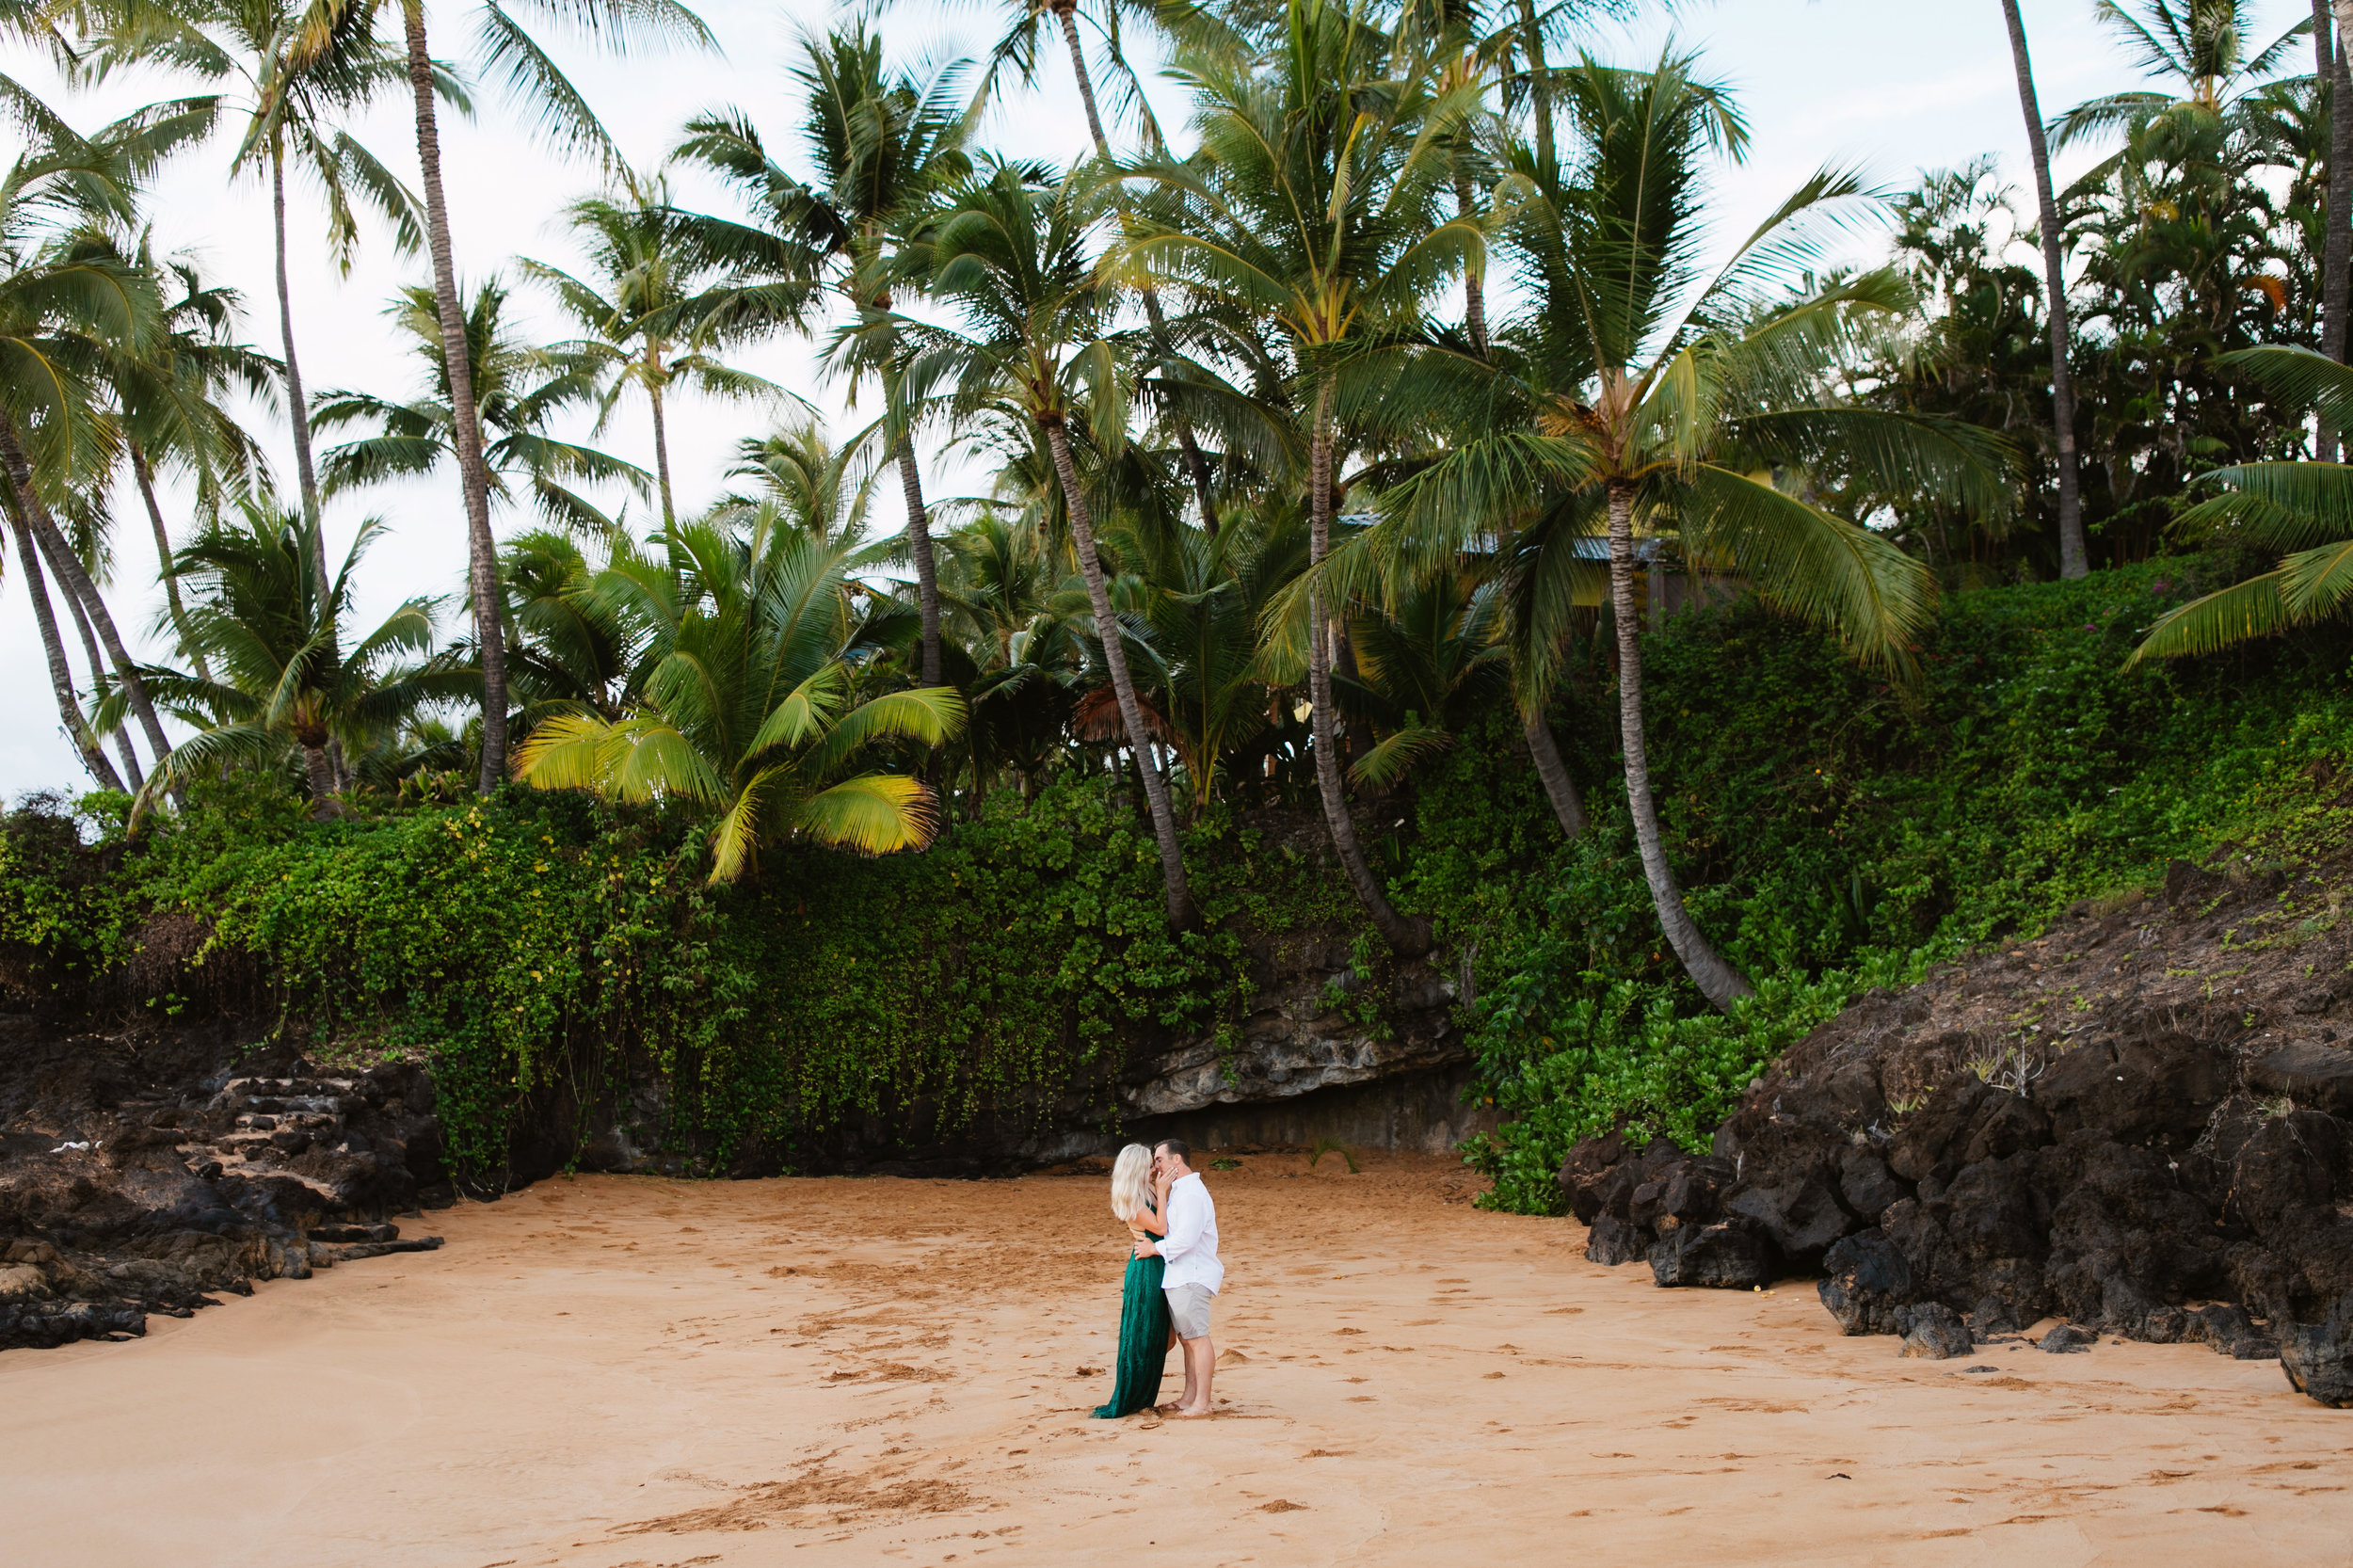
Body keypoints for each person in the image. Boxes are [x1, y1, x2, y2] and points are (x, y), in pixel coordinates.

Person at [1134, 1138, 1221, 1418]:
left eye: (1159, 1159)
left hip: (1191, 1274)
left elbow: (1187, 1238)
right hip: (1180, 1274)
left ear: (1176, 1160)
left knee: (1197, 1338)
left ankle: (1202, 1403)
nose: (1155, 1165)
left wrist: (1153, 1248)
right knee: (1187, 1339)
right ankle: (1189, 1397)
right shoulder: (1179, 1191)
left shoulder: (1192, 1193)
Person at [1091, 1144, 1173, 1419]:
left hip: (1158, 1260)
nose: (1154, 1169)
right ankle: (1133, 1395)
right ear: (1137, 1169)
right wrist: (1162, 1192)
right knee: (1143, 1332)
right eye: (1150, 1165)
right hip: (1147, 1268)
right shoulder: (1132, 1199)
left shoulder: (1146, 1191)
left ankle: (1143, 1389)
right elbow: (1161, 1228)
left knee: (1161, 1333)